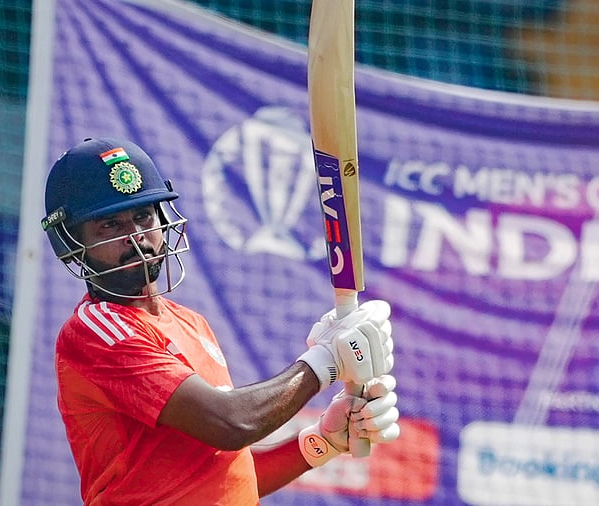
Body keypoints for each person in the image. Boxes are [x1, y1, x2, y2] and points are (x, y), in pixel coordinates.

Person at [40, 137, 399, 505]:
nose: (136, 237)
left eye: (143, 216)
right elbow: (231, 424)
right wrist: (327, 362)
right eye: (110, 225)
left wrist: (322, 441)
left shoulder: (190, 322)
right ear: (70, 240)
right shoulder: (96, 332)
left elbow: (228, 474)